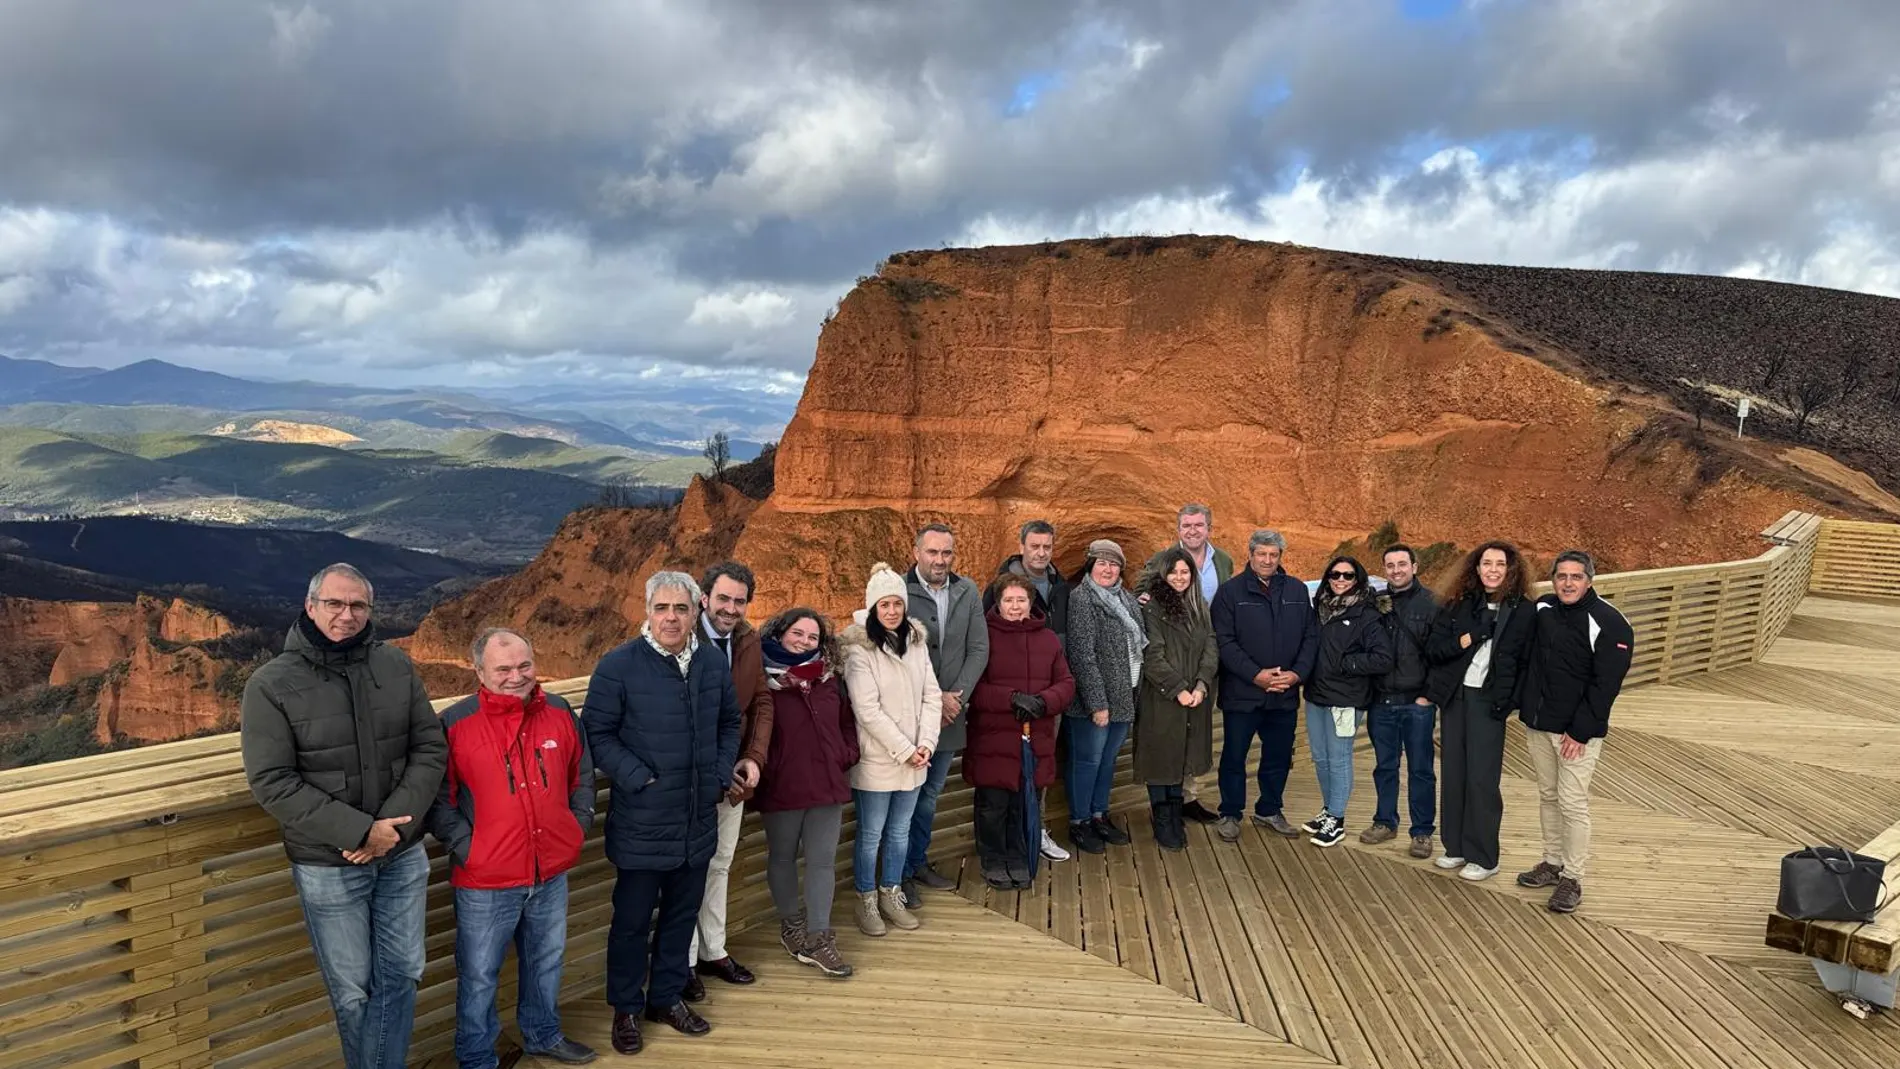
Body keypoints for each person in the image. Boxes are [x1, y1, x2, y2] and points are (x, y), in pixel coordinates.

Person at [240, 563, 447, 1069]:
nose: (346, 614)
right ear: (310, 606)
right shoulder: (270, 684)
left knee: (403, 974)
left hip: (399, 852)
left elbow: (429, 748)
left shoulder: (394, 666)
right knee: (352, 990)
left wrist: (387, 830)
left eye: (357, 605)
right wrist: (359, 832)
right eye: (334, 603)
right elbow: (272, 780)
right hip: (329, 864)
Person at [584, 571, 742, 1055]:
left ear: (696, 613)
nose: (671, 618)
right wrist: (639, 778)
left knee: (680, 916)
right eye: (662, 608)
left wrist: (718, 774)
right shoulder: (618, 666)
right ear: (647, 612)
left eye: (680, 609)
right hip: (642, 822)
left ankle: (667, 998)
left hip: (696, 819)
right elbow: (596, 734)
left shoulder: (710, 663)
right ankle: (626, 1008)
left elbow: (729, 722)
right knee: (632, 923)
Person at [430, 629, 596, 1069]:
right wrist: (471, 849)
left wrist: (576, 828)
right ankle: (476, 1057)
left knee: (546, 962)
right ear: (479, 672)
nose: (516, 676)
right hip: (485, 879)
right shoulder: (454, 724)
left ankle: (543, 1035)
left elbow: (581, 776)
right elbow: (440, 801)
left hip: (550, 871)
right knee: (479, 975)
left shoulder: (559, 711)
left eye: (524, 665)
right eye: (503, 669)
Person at [1515, 550, 1634, 914]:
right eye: (1561, 576)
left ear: (1589, 581)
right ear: (1553, 579)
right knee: (1548, 796)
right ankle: (1552, 863)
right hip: (1540, 724)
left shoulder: (1610, 622)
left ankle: (1573, 877)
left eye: (1576, 577)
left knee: (1572, 802)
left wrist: (1580, 731)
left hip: (1576, 734)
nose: (1567, 583)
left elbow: (1606, 685)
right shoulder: (1544, 608)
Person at [751, 607, 859, 976]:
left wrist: (846, 753)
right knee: (782, 857)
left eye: (812, 637)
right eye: (797, 633)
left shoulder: (828, 677)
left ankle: (819, 938)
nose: (804, 642)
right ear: (780, 633)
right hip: (782, 782)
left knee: (822, 861)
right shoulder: (761, 678)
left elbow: (847, 721)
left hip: (827, 781)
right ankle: (791, 925)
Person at [840, 562, 943, 936]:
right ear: (873, 607)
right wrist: (906, 749)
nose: (892, 611)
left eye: (897, 603)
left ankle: (891, 893)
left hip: (916, 757)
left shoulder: (915, 642)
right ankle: (866, 899)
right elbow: (866, 709)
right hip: (878, 758)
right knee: (871, 834)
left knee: (900, 832)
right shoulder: (859, 649)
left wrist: (926, 743)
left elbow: (932, 695)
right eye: (884, 604)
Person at [687, 561, 773, 999]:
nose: (731, 608)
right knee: (688, 869)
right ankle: (683, 960)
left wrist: (754, 757)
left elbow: (761, 700)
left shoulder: (747, 640)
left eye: (739, 601)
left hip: (735, 775)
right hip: (693, 778)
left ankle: (713, 950)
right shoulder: (683, 637)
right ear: (705, 598)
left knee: (720, 863)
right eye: (723, 598)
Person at [1425, 541, 1535, 883]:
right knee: (1454, 772)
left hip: (1489, 701)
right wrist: (1470, 636)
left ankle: (1484, 856)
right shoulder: (1460, 603)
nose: (1493, 570)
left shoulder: (1523, 610)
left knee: (1482, 779)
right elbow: (1435, 649)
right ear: (1476, 567)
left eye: (1500, 564)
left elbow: (1527, 663)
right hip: (1456, 697)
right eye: (1487, 563)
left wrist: (1510, 702)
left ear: (1511, 569)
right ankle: (1455, 846)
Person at [966, 574, 1075, 887]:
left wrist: (1043, 701)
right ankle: (992, 859)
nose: (1015, 607)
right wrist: (1011, 698)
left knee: (1023, 804)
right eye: (1008, 600)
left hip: (1034, 736)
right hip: (993, 737)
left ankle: (1017, 856)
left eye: (1021, 600)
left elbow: (1066, 684)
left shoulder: (1048, 639)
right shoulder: (983, 637)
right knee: (993, 805)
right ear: (998, 604)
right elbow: (974, 688)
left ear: (1031, 603)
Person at [1210, 530, 1318, 843]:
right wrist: (1255, 674)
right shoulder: (1230, 593)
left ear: (1280, 556)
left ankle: (1269, 810)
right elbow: (1224, 642)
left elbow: (1311, 636)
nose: (1268, 560)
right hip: (1242, 693)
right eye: (1262, 554)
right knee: (1234, 756)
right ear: (1251, 555)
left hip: (1284, 692)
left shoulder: (1297, 590)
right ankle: (1231, 813)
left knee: (1279, 756)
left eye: (1273, 555)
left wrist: (1296, 674)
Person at [902, 524, 989, 904]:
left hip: (951, 715)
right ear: (917, 552)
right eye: (932, 552)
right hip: (910, 716)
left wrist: (958, 698)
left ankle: (916, 863)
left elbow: (978, 648)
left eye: (946, 553)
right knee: (906, 798)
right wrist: (936, 699)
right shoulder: (898, 591)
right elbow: (894, 652)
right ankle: (896, 875)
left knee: (930, 795)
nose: (940, 560)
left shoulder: (967, 590)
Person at [1137, 504, 1236, 825]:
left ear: (1209, 528)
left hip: (1202, 657)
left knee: (1195, 732)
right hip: (1170, 661)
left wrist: (1204, 676)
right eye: (1186, 525)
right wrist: (1146, 601)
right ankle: (1166, 805)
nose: (1193, 530)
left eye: (1199, 525)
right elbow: (1141, 593)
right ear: (1178, 529)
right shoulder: (1161, 560)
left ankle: (1188, 798)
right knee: (1169, 734)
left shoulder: (1223, 561)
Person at [987, 518, 1074, 864]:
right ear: (1021, 546)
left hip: (1046, 698)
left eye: (1047, 547)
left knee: (1041, 767)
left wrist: (1050, 697)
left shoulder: (1059, 585)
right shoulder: (998, 587)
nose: (1041, 553)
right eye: (1034, 546)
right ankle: (1013, 841)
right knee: (1006, 774)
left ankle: (1036, 830)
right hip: (1007, 705)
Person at [1300, 556, 1394, 848]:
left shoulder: (1367, 615)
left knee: (1338, 758)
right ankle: (1329, 809)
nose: (1340, 580)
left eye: (1348, 575)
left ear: (1358, 579)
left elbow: (1383, 658)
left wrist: (1346, 664)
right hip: (1316, 695)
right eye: (1335, 574)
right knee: (1320, 757)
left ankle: (1337, 819)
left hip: (1347, 699)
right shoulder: (1319, 609)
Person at [1063, 539, 1146, 854]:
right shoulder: (1082, 598)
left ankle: (1099, 815)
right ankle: (1079, 821)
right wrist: (1098, 704)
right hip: (1093, 703)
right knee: (1088, 761)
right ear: (1090, 565)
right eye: (1102, 563)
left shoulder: (1127, 598)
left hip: (1124, 695)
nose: (1108, 569)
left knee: (1107, 762)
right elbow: (1082, 655)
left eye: (1114, 564)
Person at [1134, 547, 1219, 851]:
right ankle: (1162, 817)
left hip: (1194, 696)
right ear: (1163, 574)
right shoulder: (1151, 608)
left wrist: (1201, 684)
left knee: (1182, 754)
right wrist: (1179, 688)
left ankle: (1174, 811)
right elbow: (1151, 655)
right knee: (1161, 756)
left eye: (1185, 572)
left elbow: (1211, 645)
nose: (1179, 578)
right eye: (1173, 572)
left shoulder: (1198, 606)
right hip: (1163, 696)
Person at [1363, 544, 1444, 859]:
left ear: (1414, 566)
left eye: (1402, 564)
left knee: (1421, 769)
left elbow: (1442, 656)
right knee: (1385, 766)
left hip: (1417, 702)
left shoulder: (1433, 603)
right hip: (1381, 700)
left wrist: (1428, 696)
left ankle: (1422, 831)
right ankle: (1385, 821)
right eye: (1390, 565)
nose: (1396, 570)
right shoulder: (1375, 602)